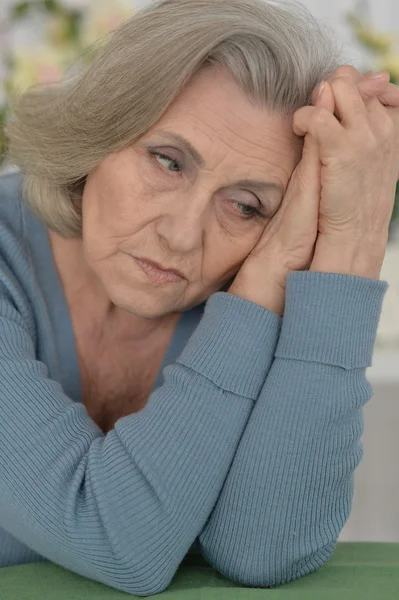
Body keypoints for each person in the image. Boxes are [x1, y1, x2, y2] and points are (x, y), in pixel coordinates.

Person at [0, 0, 398, 594]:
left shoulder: (255, 279)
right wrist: (262, 284)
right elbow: (117, 543)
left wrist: (352, 242)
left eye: (246, 205)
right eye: (168, 161)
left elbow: (265, 550)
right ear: (99, 130)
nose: (181, 235)